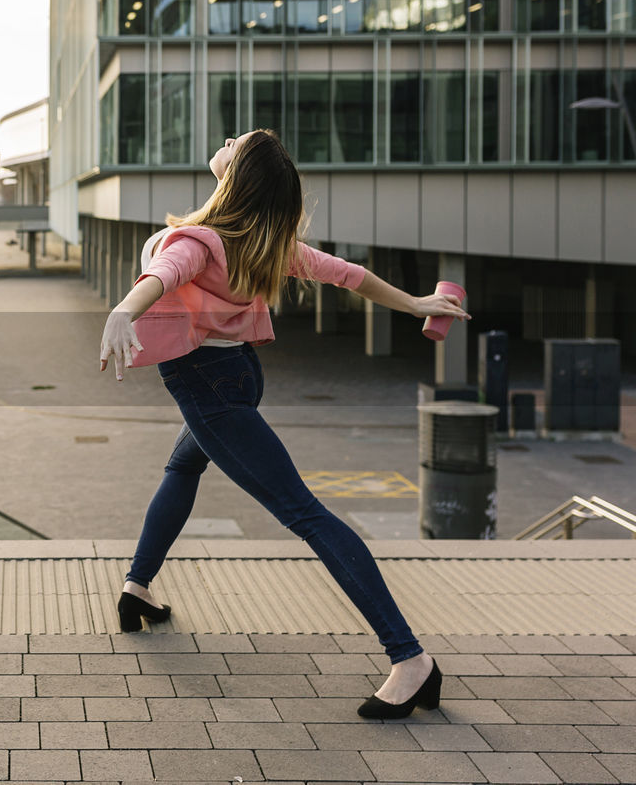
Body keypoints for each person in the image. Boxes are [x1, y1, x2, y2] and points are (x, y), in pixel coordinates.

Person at [98, 129, 470, 720]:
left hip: (211, 391)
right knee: (183, 464)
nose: (223, 139)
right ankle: (137, 588)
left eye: (234, 142)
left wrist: (123, 310)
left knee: (305, 513)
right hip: (238, 375)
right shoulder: (264, 243)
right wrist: (417, 304)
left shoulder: (201, 241)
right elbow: (349, 275)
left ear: (236, 174)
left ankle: (410, 660)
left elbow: (165, 271)